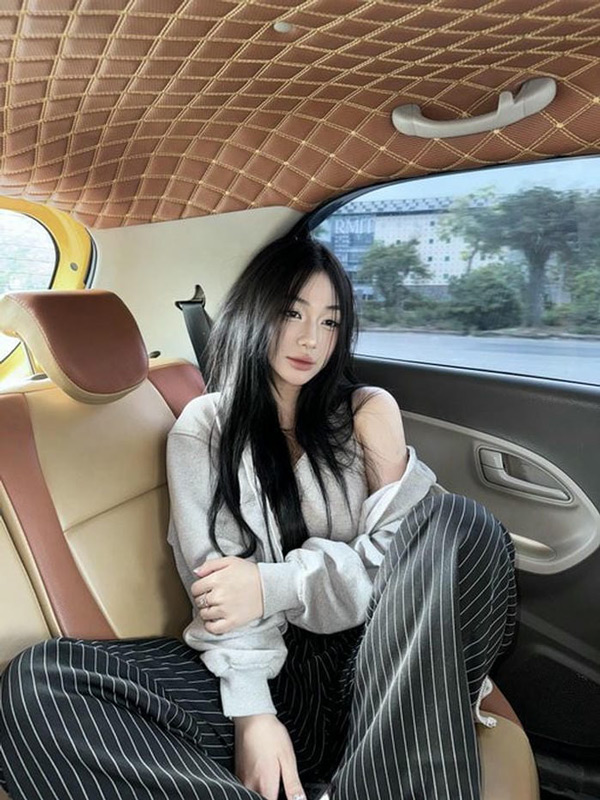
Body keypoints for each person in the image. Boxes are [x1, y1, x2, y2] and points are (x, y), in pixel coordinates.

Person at [0, 233, 516, 800]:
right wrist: (254, 715)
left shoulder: (367, 412)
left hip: (376, 668)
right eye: (291, 312)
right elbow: (217, 590)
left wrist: (272, 585)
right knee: (42, 681)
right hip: (258, 668)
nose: (310, 339)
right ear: (254, 310)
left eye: (330, 321)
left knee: (463, 526)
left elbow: (405, 563)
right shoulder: (203, 428)